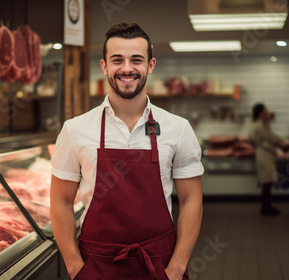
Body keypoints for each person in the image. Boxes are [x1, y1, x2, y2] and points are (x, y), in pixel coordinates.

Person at [49, 21, 204, 280]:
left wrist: (176, 269)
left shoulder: (178, 128)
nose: (127, 69)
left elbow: (191, 200)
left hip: (159, 265)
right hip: (96, 265)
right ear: (104, 66)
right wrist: (76, 267)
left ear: (150, 66)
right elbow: (61, 202)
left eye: (137, 60)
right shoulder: (75, 129)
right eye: (117, 60)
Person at [249, 103, 289, 215]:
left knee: (267, 182)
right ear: (261, 112)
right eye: (265, 111)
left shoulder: (258, 125)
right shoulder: (258, 126)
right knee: (267, 183)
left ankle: (266, 206)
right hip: (264, 157)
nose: (267, 113)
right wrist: (282, 142)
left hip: (264, 156)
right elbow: (269, 137)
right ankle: (266, 208)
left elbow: (265, 140)